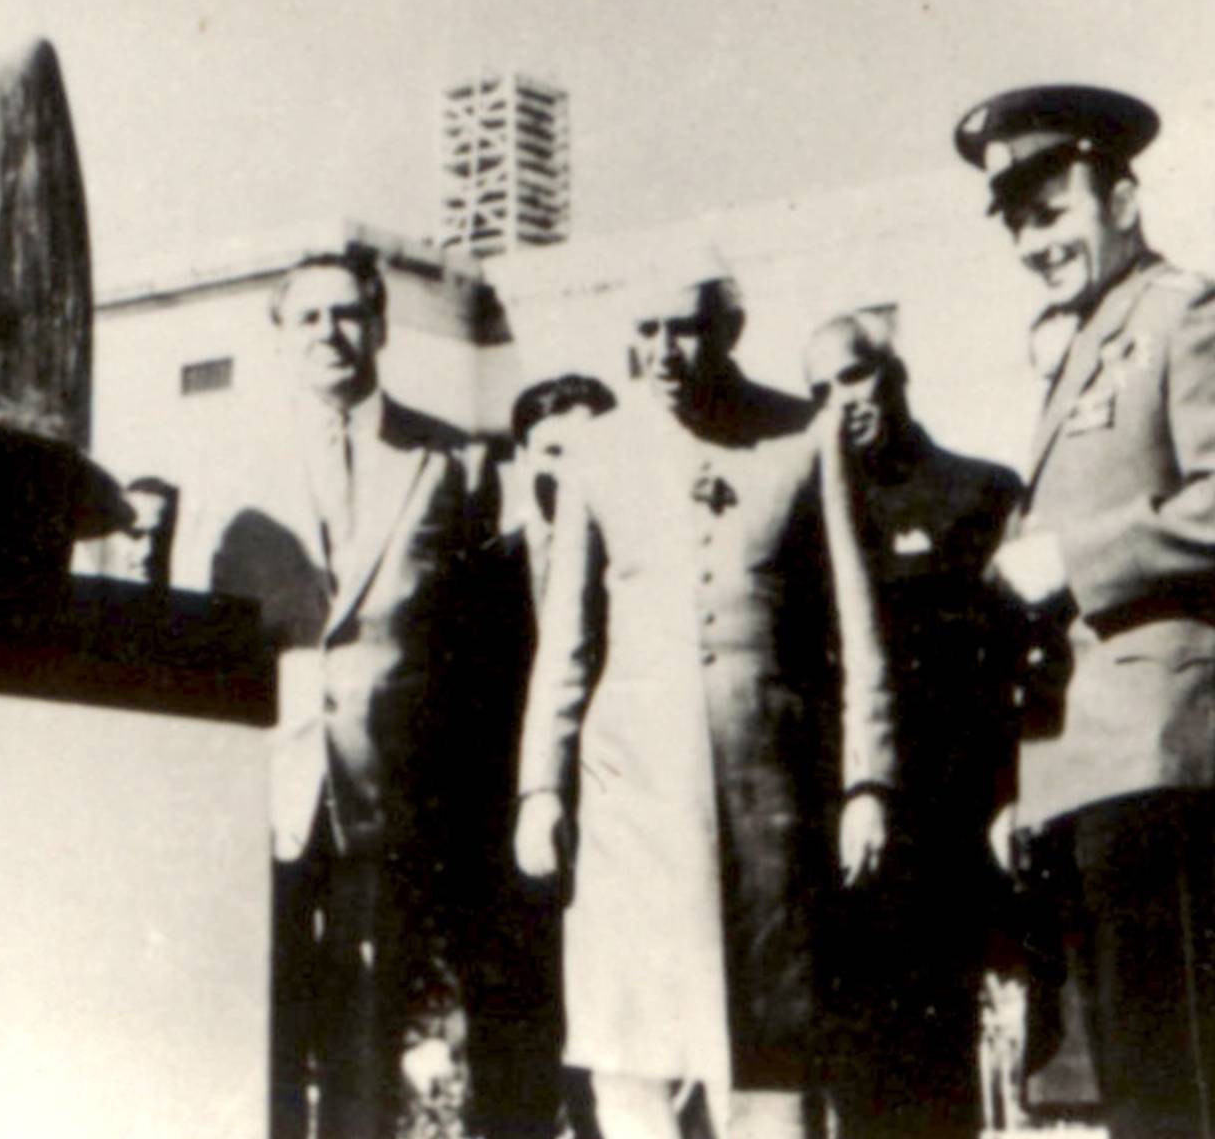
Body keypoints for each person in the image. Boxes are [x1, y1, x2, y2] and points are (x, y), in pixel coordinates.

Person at [514, 264, 895, 1139]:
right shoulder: (596, 454)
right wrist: (541, 789)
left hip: (768, 797)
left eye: (683, 329)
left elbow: (857, 624)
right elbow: (565, 643)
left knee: (769, 1034)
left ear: (728, 329)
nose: (664, 353)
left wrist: (868, 783)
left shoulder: (803, 438)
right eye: (646, 331)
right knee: (634, 1041)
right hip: (630, 804)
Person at [954, 84, 1215, 1139]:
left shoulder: (1178, 312)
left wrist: (1073, 554)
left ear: (1119, 193)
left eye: (1049, 206)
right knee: (1130, 1083)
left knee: (1176, 1076)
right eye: (1014, 218)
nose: (1032, 240)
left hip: (1158, 756)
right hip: (1081, 767)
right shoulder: (1085, 340)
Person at [209, 243, 478, 1139]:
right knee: (259, 1032)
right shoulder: (232, 463)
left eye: (349, 313)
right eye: (310, 317)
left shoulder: (450, 460)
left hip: (389, 790)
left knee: (368, 1030)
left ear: (381, 325)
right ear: (283, 337)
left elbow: (477, 637)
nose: (331, 333)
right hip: (263, 780)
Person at [803, 308, 1022, 1139]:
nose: (840, 401)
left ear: (894, 372)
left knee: (940, 1062)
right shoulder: (808, 516)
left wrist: (1006, 794)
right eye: (818, 390)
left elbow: (1012, 666)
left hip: (946, 826)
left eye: (853, 376)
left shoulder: (979, 492)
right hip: (843, 834)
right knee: (854, 1065)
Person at [458, 371, 616, 1139]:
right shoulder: (474, 578)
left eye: (589, 450)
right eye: (553, 450)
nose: (569, 468)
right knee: (510, 1083)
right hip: (505, 878)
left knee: (616, 1082)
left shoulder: (645, 578)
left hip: (619, 861)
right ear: (522, 459)